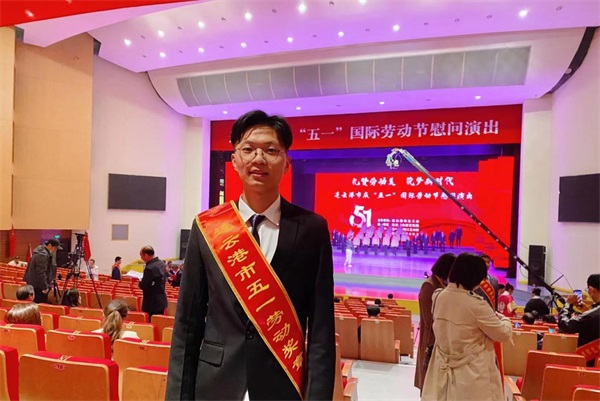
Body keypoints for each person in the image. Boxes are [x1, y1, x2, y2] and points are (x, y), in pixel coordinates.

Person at [166, 110, 336, 401]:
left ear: (286, 163)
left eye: (271, 150)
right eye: (248, 149)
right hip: (214, 387)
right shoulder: (207, 227)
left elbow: (321, 332)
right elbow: (187, 325)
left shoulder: (312, 229)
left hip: (282, 387)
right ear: (234, 160)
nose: (259, 158)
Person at [421, 253, 513, 401]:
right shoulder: (477, 305)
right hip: (472, 377)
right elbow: (503, 334)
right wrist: (505, 320)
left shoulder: (438, 297)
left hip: (442, 371)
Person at [415, 253, 456, 391]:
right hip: (431, 340)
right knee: (428, 383)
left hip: (439, 340)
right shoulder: (429, 285)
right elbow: (429, 320)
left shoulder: (442, 284)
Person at [558, 274, 600, 354]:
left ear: (591, 289)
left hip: (589, 357)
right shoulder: (592, 313)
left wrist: (568, 305)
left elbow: (566, 325)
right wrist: (587, 312)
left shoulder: (593, 314)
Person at [22, 238, 62, 303]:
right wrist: (44, 287)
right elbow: (41, 272)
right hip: (39, 286)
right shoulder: (42, 255)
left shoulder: (40, 252)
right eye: (55, 248)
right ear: (49, 245)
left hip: (35, 284)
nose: (55, 250)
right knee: (40, 304)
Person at [138, 245, 167, 318]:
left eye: (141, 255)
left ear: (146, 255)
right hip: (161, 300)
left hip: (151, 304)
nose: (141, 258)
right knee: (159, 321)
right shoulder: (161, 263)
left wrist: (140, 282)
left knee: (151, 321)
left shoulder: (149, 268)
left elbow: (144, 285)